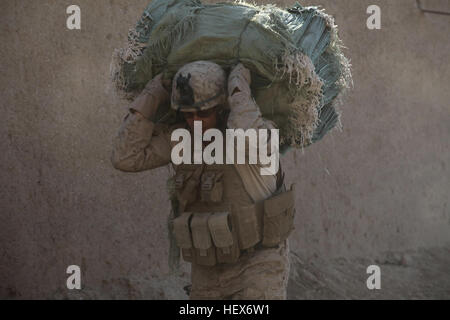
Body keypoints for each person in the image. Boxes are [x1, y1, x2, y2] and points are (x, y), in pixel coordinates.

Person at [111, 61, 295, 299]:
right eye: (188, 114)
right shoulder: (182, 139)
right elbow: (125, 157)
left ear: (222, 108)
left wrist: (238, 88)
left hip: (257, 267)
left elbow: (247, 135)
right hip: (206, 272)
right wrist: (152, 96)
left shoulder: (258, 135)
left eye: (204, 113)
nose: (195, 121)